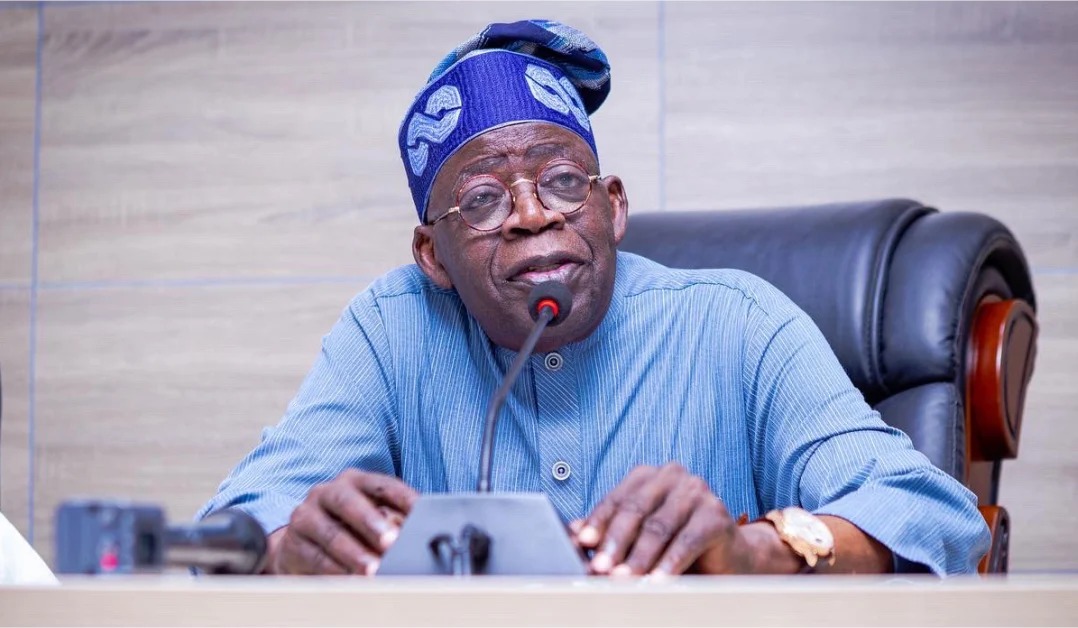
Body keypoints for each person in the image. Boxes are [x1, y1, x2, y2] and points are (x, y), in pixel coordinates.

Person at [197, 19, 990, 577]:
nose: (534, 213)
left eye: (563, 182)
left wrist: (757, 554)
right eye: (482, 201)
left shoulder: (738, 323)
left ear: (611, 205)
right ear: (430, 254)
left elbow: (931, 514)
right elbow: (229, 528)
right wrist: (283, 550)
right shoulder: (390, 328)